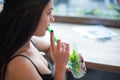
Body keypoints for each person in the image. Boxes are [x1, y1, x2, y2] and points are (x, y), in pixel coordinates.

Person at [0, 0, 70, 80]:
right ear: (29, 16)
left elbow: (49, 48)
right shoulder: (20, 65)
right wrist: (60, 67)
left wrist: (68, 60)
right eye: (49, 12)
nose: (52, 19)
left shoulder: (26, 41)